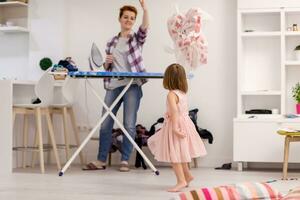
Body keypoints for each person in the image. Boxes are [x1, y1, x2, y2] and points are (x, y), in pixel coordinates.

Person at [83, 0, 149, 172]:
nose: (128, 20)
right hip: (113, 85)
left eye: (132, 18)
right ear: (120, 19)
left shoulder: (136, 39)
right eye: (125, 17)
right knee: (105, 123)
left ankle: (125, 160)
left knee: (129, 124)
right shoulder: (111, 42)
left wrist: (145, 9)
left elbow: (145, 28)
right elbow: (106, 67)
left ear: (134, 21)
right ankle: (101, 160)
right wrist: (106, 62)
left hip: (132, 86)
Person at [147, 63, 207, 192]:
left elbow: (175, 112)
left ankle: (181, 181)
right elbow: (179, 110)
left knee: (174, 155)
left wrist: (174, 128)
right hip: (185, 123)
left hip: (176, 125)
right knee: (181, 153)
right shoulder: (182, 93)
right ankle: (187, 176)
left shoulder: (171, 94)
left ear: (168, 78)